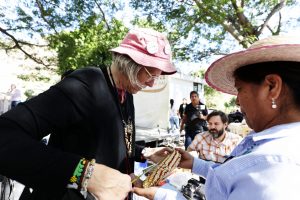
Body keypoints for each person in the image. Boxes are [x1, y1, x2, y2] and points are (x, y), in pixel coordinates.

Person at [0, 27, 177, 200]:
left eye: (157, 77)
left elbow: (112, 141)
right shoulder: (86, 85)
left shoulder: (126, 95)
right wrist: (85, 174)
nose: (151, 84)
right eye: (150, 74)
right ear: (129, 62)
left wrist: (145, 152)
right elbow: (5, 136)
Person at [133, 35, 300, 200]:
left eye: (240, 89)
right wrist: (195, 164)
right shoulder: (267, 146)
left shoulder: (274, 167)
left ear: (272, 87)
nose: (237, 100)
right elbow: (230, 176)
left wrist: (162, 195)